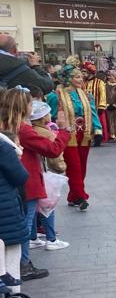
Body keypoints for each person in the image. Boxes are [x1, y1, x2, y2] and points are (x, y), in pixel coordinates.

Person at [18, 98, 70, 273]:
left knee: (27, 220)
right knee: (26, 222)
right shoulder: (24, 130)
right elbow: (53, 150)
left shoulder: (20, 128)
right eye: (30, 104)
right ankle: (23, 264)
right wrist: (64, 130)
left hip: (26, 180)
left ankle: (23, 259)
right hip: (27, 181)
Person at [55, 63, 101, 209]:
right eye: (77, 77)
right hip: (69, 133)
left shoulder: (86, 94)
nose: (81, 79)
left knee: (82, 166)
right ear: (68, 78)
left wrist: (98, 129)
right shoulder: (58, 94)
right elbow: (54, 114)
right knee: (74, 165)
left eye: (81, 76)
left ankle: (73, 196)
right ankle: (81, 196)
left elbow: (92, 112)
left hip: (84, 132)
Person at [0, 91, 29, 290]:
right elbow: (20, 176)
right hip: (5, 210)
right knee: (10, 252)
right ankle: (13, 293)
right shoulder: (4, 146)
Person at [82, 63, 108, 143]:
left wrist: (101, 106)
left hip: (97, 106)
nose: (83, 74)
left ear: (89, 73)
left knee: (99, 122)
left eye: (84, 72)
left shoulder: (99, 82)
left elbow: (103, 94)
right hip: (86, 107)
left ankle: (100, 138)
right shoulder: (84, 83)